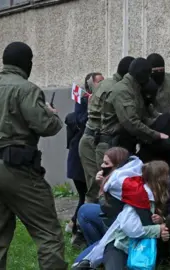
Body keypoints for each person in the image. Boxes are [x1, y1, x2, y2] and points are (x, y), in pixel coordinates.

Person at [0, 42, 67, 269]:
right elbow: (46, 126)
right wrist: (51, 114)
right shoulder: (26, 89)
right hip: (17, 168)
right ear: (27, 63)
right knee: (48, 232)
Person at [73, 159, 170, 270]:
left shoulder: (153, 197)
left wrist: (161, 221)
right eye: (167, 175)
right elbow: (132, 229)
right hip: (118, 246)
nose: (169, 179)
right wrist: (158, 229)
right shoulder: (139, 198)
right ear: (159, 179)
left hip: (138, 248)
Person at [79, 56, 134, 203]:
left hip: (92, 139)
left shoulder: (107, 83)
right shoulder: (116, 89)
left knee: (97, 186)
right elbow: (127, 119)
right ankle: (90, 220)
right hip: (97, 141)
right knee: (98, 187)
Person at [96, 57, 168, 155]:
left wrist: (163, 121)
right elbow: (131, 122)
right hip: (111, 147)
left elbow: (142, 117)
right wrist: (156, 135)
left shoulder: (134, 90)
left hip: (123, 145)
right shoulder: (123, 91)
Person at [65, 72, 103, 244]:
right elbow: (80, 120)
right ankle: (77, 231)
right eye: (99, 82)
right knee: (86, 194)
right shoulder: (84, 101)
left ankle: (74, 223)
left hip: (88, 156)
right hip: (79, 159)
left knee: (86, 195)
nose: (102, 84)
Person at [78, 147, 130, 246]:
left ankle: (100, 246)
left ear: (117, 166)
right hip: (118, 220)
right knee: (85, 209)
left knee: (84, 212)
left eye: (106, 163)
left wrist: (102, 185)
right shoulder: (127, 175)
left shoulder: (118, 182)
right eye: (103, 162)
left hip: (119, 226)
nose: (102, 166)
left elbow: (106, 207)